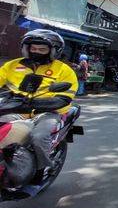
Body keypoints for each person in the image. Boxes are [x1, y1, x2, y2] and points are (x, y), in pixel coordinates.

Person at [0, 29, 78, 169]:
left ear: (53, 51)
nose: (36, 51)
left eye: (42, 49)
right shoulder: (12, 65)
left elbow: (63, 99)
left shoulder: (64, 70)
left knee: (38, 138)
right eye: (33, 48)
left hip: (48, 113)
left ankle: (42, 168)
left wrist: (34, 104)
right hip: (16, 108)